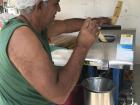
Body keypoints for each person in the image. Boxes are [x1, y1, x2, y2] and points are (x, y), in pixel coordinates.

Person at [0, 0, 111, 105]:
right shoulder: (21, 37)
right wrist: (82, 46)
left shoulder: (34, 27)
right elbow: (59, 95)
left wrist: (95, 22)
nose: (59, 9)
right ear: (40, 5)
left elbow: (66, 25)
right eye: (56, 3)